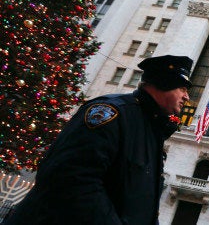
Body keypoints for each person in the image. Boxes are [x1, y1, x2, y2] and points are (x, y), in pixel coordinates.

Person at [4, 55, 194, 225]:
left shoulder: (151, 130)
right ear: (163, 83)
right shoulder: (110, 113)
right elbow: (71, 180)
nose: (186, 97)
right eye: (182, 88)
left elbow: (141, 202)